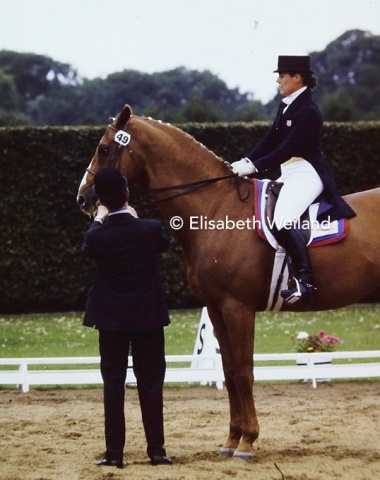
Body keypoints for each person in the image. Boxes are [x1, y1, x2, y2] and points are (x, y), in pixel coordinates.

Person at [232, 55, 356, 304]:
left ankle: (305, 281)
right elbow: (270, 139)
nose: (278, 80)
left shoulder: (309, 111)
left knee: (282, 219)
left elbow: (287, 149)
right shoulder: (287, 105)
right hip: (288, 173)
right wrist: (244, 161)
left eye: (282, 75)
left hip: (307, 173)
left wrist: (254, 167)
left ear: (297, 77)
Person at [81, 167, 173, 468]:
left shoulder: (98, 236)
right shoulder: (149, 228)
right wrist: (132, 218)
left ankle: (115, 454)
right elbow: (163, 243)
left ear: (101, 201)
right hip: (147, 316)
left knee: (113, 385)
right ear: (127, 194)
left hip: (111, 320)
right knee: (150, 383)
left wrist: (99, 218)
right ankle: (156, 451)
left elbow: (87, 245)